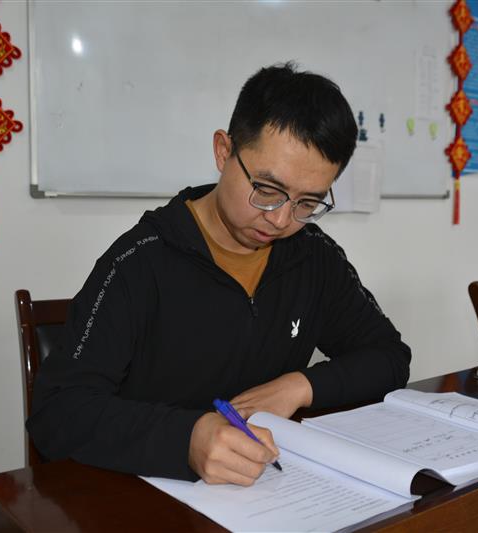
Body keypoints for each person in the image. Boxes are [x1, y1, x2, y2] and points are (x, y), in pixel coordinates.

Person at [27, 62, 411, 487]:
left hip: (264, 492)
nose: (281, 219)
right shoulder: (140, 262)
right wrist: (185, 439)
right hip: (146, 495)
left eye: (307, 203)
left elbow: (389, 357)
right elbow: (57, 411)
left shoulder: (312, 257)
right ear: (223, 152)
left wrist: (299, 386)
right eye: (267, 190)